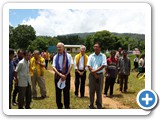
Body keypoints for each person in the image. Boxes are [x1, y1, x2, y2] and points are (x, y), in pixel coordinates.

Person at [52, 42, 73, 109]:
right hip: (58, 75)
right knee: (58, 92)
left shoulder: (68, 55)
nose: (58, 48)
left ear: (63, 48)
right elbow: (53, 67)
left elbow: (71, 65)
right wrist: (60, 74)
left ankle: (67, 106)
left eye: (60, 47)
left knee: (66, 91)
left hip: (66, 75)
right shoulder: (55, 56)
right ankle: (59, 106)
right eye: (57, 47)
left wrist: (66, 75)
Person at [87, 42, 107, 109]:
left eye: (97, 46)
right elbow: (89, 66)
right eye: (94, 46)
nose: (95, 48)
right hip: (92, 76)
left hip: (100, 75)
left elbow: (103, 65)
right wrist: (94, 74)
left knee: (99, 91)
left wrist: (95, 71)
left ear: (100, 48)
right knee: (91, 91)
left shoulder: (103, 56)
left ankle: (99, 105)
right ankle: (91, 104)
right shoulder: (91, 56)